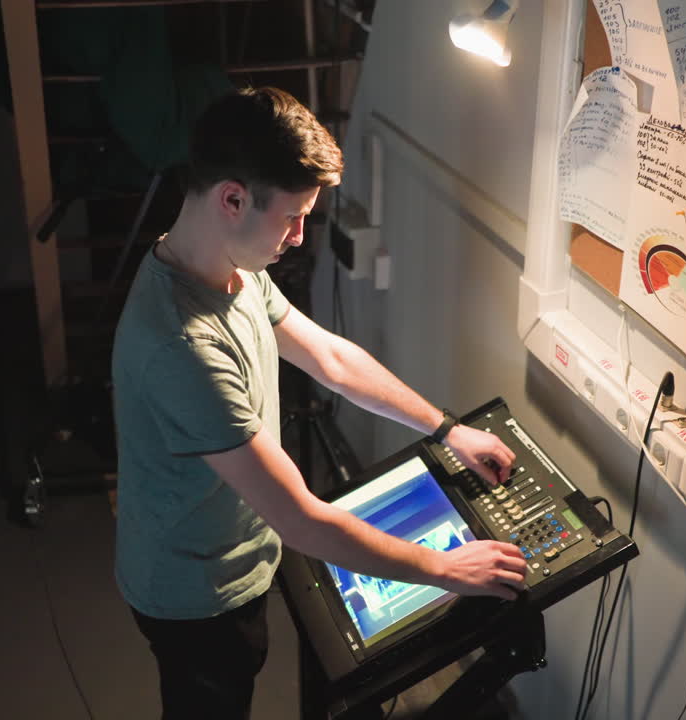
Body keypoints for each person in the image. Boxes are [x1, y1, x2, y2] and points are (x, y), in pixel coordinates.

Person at [111, 86, 527, 720]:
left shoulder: (232, 267)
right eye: (292, 216)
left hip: (232, 547)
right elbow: (302, 520)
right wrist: (449, 570)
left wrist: (447, 429)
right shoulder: (183, 347)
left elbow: (331, 359)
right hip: (195, 593)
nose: (301, 237)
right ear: (232, 199)